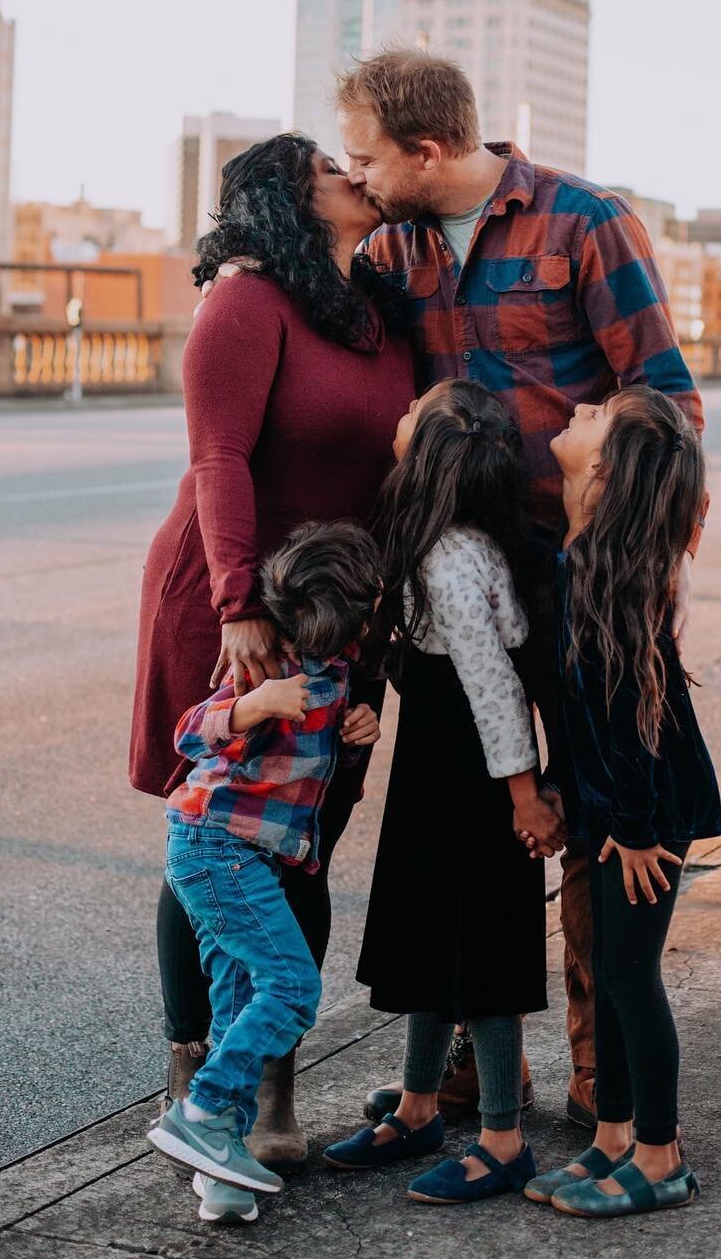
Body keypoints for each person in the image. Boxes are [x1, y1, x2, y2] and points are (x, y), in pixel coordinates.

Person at [337, 47, 707, 1127]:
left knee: (599, 814)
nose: (356, 176)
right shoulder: (391, 246)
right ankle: (472, 1053)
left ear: (429, 150)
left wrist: (635, 571)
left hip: (579, 569)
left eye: (369, 158)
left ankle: (607, 1081)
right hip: (463, 571)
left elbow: (668, 405)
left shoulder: (584, 221)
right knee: (475, 815)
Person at [129, 133, 416, 1164]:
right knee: (215, 828)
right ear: (295, 204)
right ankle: (193, 1073)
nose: (354, 175)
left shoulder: (379, 309)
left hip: (343, 611)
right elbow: (218, 456)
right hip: (232, 598)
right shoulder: (247, 303)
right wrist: (239, 602)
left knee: (309, 838)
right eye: (332, 171)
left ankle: (270, 1081)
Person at [321, 378, 566, 1206]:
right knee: (430, 942)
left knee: (482, 956)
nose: (400, 410)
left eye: (414, 413)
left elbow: (494, 689)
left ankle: (502, 1138)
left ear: (429, 457)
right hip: (439, 768)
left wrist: (524, 798)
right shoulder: (434, 539)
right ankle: (420, 1107)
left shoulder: (452, 556)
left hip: (476, 777)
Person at [146, 520, 387, 1224]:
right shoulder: (263, 664)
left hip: (252, 855)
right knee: (291, 986)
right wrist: (253, 705)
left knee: (236, 1000)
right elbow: (190, 734)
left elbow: (305, 776)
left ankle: (219, 1176)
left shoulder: (338, 674)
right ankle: (204, 1108)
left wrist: (356, 731)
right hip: (211, 844)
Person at [523, 386, 721, 1218]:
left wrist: (634, 829)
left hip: (647, 815)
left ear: (604, 468)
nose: (579, 407)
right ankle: (611, 1139)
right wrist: (583, 798)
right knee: (608, 971)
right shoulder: (586, 554)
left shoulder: (608, 569)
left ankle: (660, 1155)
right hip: (616, 808)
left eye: (598, 414)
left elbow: (628, 716)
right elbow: (583, 716)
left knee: (633, 978)